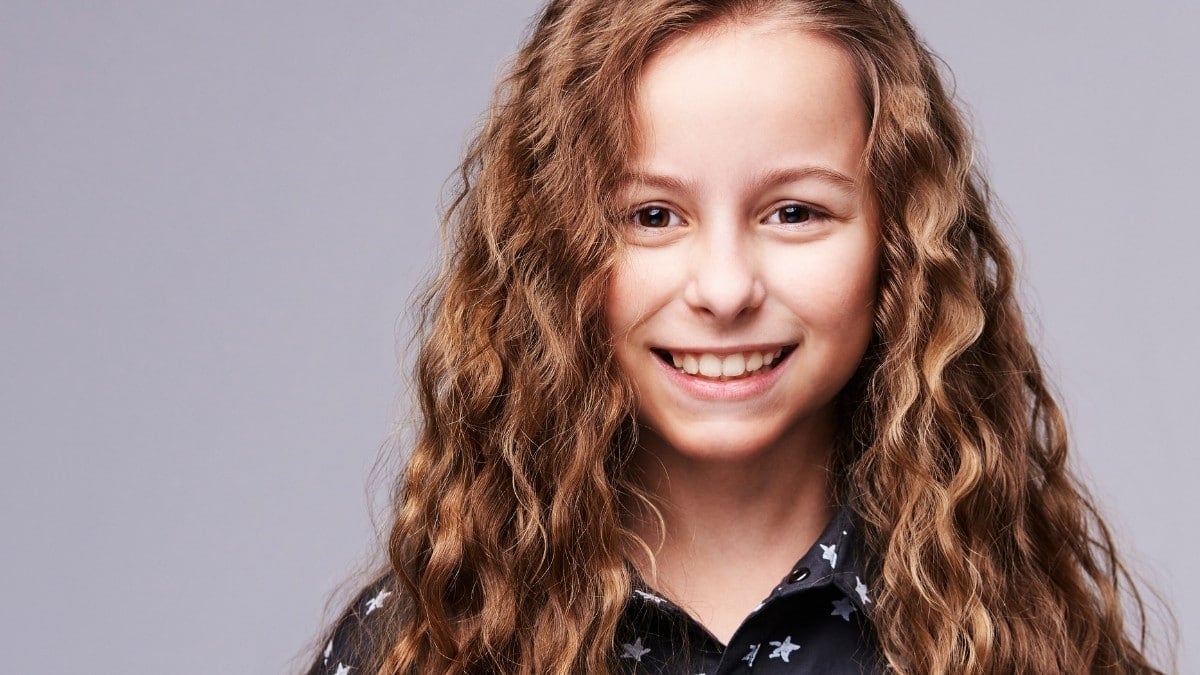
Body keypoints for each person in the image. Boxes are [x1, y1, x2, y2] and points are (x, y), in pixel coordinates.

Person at [306, 0, 1167, 672]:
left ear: (896, 245)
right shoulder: (422, 648)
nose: (724, 289)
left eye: (795, 212)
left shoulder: (1026, 642)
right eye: (652, 216)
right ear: (554, 251)